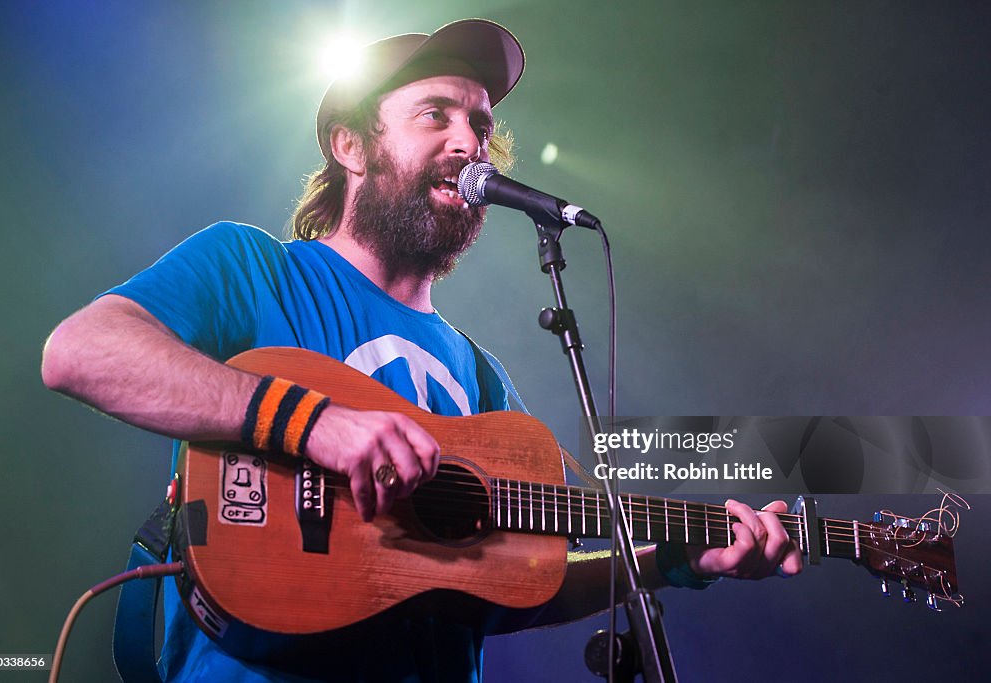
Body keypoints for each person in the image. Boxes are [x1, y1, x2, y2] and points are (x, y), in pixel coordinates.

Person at [41, 19, 801, 683]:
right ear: (351, 145)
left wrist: (676, 562)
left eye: (479, 123)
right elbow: (80, 351)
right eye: (436, 113)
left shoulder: (481, 379)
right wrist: (313, 423)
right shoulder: (251, 267)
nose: (470, 142)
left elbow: (511, 586)